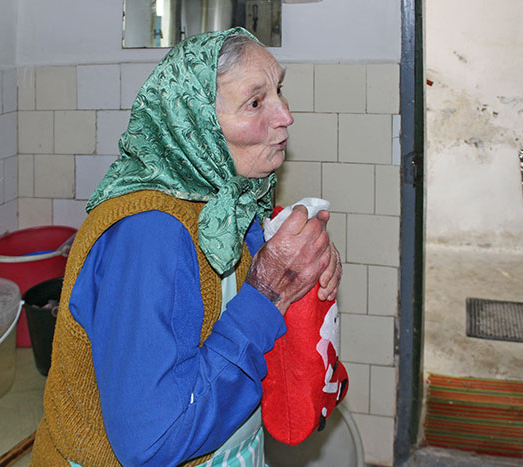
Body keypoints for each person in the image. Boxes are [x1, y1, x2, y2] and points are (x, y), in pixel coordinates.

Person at [30, 27, 342, 466]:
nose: (285, 115)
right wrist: (270, 290)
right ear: (195, 123)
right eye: (255, 103)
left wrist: (305, 262)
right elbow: (154, 442)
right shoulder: (148, 234)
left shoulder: (231, 197)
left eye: (279, 90)